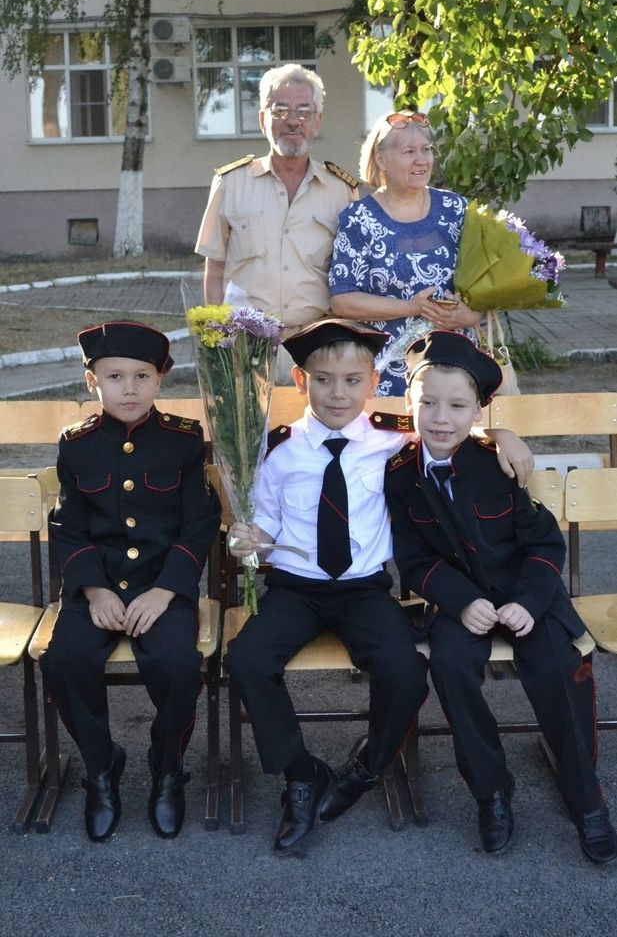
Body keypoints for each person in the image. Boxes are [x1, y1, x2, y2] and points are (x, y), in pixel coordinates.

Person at [224, 319, 532, 856]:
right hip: (295, 589)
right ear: (300, 381)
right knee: (246, 659)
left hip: (365, 590)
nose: (337, 393)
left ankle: (367, 766)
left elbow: (450, 430)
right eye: (323, 380)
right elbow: (266, 528)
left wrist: (501, 434)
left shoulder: (394, 436)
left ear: (373, 383)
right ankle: (301, 775)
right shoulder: (276, 450)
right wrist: (247, 541)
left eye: (352, 381)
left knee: (406, 671)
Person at [384, 330, 617, 864]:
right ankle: (490, 791)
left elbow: (544, 543)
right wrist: (461, 601)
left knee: (558, 663)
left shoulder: (500, 462)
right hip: (461, 603)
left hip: (525, 596)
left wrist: (529, 603)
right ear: (409, 404)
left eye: (457, 406)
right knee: (449, 664)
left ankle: (586, 798)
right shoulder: (399, 475)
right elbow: (413, 561)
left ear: (477, 412)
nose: (441, 418)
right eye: (428, 403)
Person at [40, 321, 221, 843]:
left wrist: (166, 590)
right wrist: (93, 589)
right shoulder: (77, 446)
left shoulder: (184, 442)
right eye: (115, 376)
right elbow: (67, 527)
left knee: (178, 664)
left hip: (162, 588)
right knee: (65, 660)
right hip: (95, 589)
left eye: (142, 376)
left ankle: (167, 768)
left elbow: (199, 523)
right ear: (92, 380)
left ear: (160, 379)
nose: (129, 388)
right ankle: (102, 767)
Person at [195, 63, 358, 383]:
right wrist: (217, 340)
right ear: (262, 120)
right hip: (246, 346)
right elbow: (214, 268)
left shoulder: (341, 190)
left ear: (317, 121)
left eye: (304, 111)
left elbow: (352, 275)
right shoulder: (231, 183)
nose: (293, 121)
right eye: (280, 110)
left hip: (318, 346)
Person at [329, 110, 482, 396]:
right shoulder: (358, 219)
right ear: (381, 159)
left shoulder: (456, 209)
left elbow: (484, 283)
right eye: (409, 151)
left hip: (456, 372)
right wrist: (412, 307)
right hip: (387, 376)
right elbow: (343, 300)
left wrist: (471, 314)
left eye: (427, 149)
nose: (421, 160)